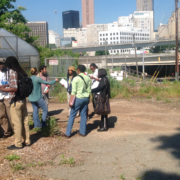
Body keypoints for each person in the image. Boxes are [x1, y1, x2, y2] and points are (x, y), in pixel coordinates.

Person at [0, 56, 31, 150]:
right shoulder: (22, 72)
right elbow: (15, 84)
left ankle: (18, 143)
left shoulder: (13, 72)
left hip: (16, 102)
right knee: (25, 122)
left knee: (16, 123)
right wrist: (5, 85)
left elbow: (14, 88)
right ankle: (27, 141)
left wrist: (2, 89)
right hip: (23, 101)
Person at [65, 65, 92, 138]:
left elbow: (73, 92)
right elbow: (89, 90)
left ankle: (68, 133)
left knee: (72, 115)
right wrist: (88, 98)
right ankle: (83, 132)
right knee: (83, 115)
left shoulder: (76, 78)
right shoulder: (88, 78)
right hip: (86, 98)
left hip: (78, 98)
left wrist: (70, 102)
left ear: (78, 70)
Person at [0, 59, 11, 138]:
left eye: (3, 64)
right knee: (2, 115)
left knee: (11, 114)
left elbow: (12, 83)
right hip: (0, 97)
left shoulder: (10, 72)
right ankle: (6, 132)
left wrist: (4, 86)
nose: (1, 66)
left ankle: (14, 129)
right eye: (0, 64)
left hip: (8, 96)